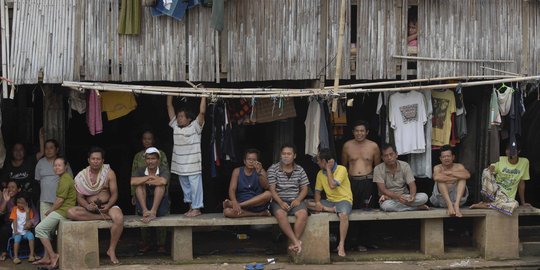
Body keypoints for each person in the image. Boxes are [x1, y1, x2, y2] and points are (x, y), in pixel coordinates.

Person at [67, 147, 124, 264]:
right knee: (71, 212)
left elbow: (114, 194)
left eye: (98, 159)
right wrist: (87, 206)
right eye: (93, 159)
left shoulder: (109, 173)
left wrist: (108, 205)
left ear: (103, 160)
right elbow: (80, 197)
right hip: (90, 209)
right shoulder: (81, 176)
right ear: (88, 160)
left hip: (107, 207)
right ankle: (102, 217)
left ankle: (111, 249)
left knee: (118, 218)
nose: (95, 161)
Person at [341, 120, 380, 251]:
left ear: (367, 132)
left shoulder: (373, 146)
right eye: (357, 131)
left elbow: (378, 166)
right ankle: (351, 242)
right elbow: (344, 166)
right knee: (351, 210)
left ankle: (365, 241)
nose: (359, 133)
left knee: (366, 210)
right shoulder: (347, 146)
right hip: (351, 182)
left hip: (367, 181)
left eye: (362, 131)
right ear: (353, 132)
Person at [308, 148, 353, 257]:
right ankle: (331, 210)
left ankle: (341, 244)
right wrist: (318, 202)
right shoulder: (319, 173)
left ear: (325, 162)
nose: (317, 163)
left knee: (343, 216)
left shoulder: (341, 169)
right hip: (330, 202)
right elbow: (317, 192)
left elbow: (332, 185)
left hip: (344, 200)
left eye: (319, 161)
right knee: (307, 204)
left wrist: (328, 169)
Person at [167, 95, 206, 217]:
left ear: (189, 119)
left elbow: (202, 111)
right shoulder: (175, 127)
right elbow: (169, 106)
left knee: (195, 188)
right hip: (180, 166)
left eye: (181, 117)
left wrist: (204, 95)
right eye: (178, 116)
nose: (178, 118)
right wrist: (169, 93)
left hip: (193, 164)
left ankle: (197, 209)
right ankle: (191, 208)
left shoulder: (195, 127)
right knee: (186, 189)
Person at [34, 157, 77, 268]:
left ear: (65, 167)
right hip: (63, 210)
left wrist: (51, 210)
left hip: (63, 211)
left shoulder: (65, 179)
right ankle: (48, 257)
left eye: (59, 165)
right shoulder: (63, 177)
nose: (56, 167)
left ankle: (53, 256)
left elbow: (60, 200)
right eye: (55, 165)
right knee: (43, 230)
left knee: (39, 229)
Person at [268, 144, 309, 255]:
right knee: (281, 215)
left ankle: (293, 242)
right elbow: (272, 190)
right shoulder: (273, 169)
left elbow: (305, 188)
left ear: (294, 156)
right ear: (280, 155)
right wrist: (280, 202)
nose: (286, 156)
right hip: (278, 200)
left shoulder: (300, 169)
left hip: (295, 200)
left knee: (303, 214)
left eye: (289, 154)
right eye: (284, 154)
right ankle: (296, 242)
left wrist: (298, 199)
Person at [130, 147, 170, 254]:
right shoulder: (141, 170)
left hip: (159, 204)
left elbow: (163, 181)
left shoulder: (163, 169)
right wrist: (149, 178)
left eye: (153, 159)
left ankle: (153, 212)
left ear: (158, 160)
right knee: (139, 186)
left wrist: (144, 179)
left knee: (160, 187)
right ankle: (145, 211)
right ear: (145, 160)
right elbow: (133, 181)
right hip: (145, 202)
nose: (150, 161)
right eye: (148, 159)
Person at [470, 144, 530, 214]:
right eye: (508, 150)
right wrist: (491, 168)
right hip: (497, 193)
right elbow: (490, 171)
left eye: (513, 150)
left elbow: (521, 183)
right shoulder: (500, 159)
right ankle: (489, 200)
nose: (510, 152)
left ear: (518, 151)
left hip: (508, 199)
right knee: (486, 171)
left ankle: (486, 205)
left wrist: (523, 203)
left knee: (515, 204)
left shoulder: (524, 162)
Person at [374, 144, 429, 212]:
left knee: (424, 197)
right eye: (386, 155)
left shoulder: (405, 165)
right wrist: (397, 197)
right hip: (389, 198)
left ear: (396, 154)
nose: (389, 157)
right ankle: (415, 207)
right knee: (386, 206)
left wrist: (412, 196)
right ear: (382, 158)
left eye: (391, 154)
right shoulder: (378, 169)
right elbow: (383, 190)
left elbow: (412, 185)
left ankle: (404, 206)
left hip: (404, 196)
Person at [223, 149, 271, 218]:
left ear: (257, 162)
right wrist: (234, 201)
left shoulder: (261, 171)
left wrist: (259, 173)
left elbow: (266, 186)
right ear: (244, 161)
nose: (251, 161)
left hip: (256, 204)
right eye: (249, 159)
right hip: (241, 202)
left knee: (268, 194)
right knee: (226, 212)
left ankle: (241, 205)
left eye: (254, 160)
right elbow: (232, 189)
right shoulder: (237, 171)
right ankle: (258, 214)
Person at [1, 128, 44, 204]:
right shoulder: (7, 164)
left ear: (24, 151)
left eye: (21, 149)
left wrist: (41, 137)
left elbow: (41, 153)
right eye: (16, 150)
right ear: (12, 151)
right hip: (12, 198)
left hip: (30, 197)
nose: (18, 152)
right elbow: (4, 182)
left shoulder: (29, 161)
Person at [0, 180, 39, 261]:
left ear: (19, 189)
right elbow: (1, 212)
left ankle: (33, 253)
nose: (10, 189)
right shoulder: (6, 198)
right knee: (4, 229)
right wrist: (6, 201)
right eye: (8, 187)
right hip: (10, 222)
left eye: (13, 187)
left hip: (26, 223)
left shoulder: (26, 199)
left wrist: (30, 223)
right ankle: (4, 252)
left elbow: (35, 216)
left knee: (35, 230)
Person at [35, 139, 73, 218]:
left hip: (61, 201)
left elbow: (70, 179)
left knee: (58, 225)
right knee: (44, 225)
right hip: (44, 200)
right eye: (46, 148)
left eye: (51, 148)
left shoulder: (63, 162)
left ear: (57, 149)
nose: (48, 150)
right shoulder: (40, 163)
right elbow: (38, 180)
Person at [430, 145, 470, 217]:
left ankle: (456, 206)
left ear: (453, 157)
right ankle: (450, 205)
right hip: (441, 200)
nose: (446, 158)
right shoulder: (438, 167)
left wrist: (451, 173)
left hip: (458, 200)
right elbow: (436, 177)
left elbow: (467, 175)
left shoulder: (459, 166)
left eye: (448, 156)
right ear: (440, 158)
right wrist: (455, 178)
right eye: (444, 157)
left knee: (463, 179)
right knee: (440, 180)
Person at [131, 130, 168, 206]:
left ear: (153, 140)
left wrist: (166, 192)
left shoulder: (161, 154)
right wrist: (133, 194)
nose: (146, 141)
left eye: (149, 139)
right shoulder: (138, 156)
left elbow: (165, 175)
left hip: (158, 185)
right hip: (142, 189)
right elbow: (134, 175)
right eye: (144, 139)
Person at [9, 192, 37, 264]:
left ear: (27, 203)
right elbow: (14, 220)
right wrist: (15, 231)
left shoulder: (29, 210)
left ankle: (31, 254)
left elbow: (27, 224)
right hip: (17, 231)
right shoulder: (15, 209)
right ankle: (15, 257)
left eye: (22, 203)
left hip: (25, 231)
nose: (20, 205)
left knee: (31, 235)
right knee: (17, 238)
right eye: (18, 202)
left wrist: (27, 213)